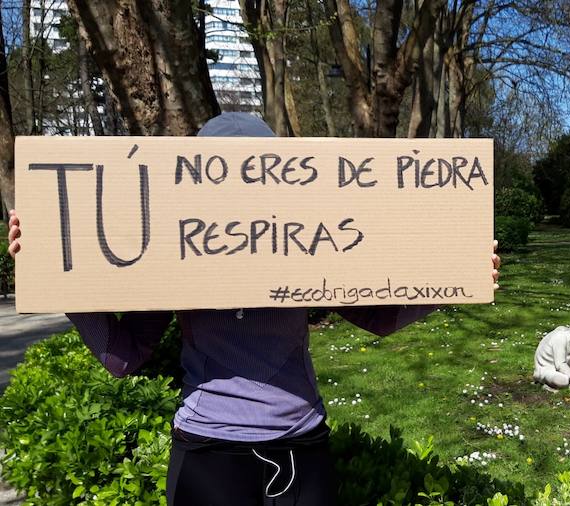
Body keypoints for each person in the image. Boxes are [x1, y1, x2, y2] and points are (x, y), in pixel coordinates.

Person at [6, 113, 502, 505]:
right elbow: (123, 357)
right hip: (207, 453)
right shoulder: (170, 254)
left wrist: (457, 279)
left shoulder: (305, 242)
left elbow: (378, 317)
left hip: (301, 445)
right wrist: (55, 272)